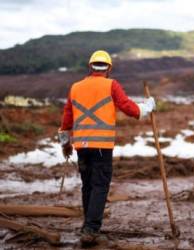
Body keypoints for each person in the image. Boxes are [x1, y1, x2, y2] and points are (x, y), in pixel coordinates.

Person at [58, 50, 155, 245]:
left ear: (90, 66)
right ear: (109, 68)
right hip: (102, 147)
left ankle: (88, 225)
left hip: (82, 147)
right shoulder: (111, 85)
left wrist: (65, 143)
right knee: (100, 186)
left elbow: (67, 118)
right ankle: (91, 230)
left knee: (88, 185)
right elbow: (127, 107)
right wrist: (147, 107)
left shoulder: (75, 87)